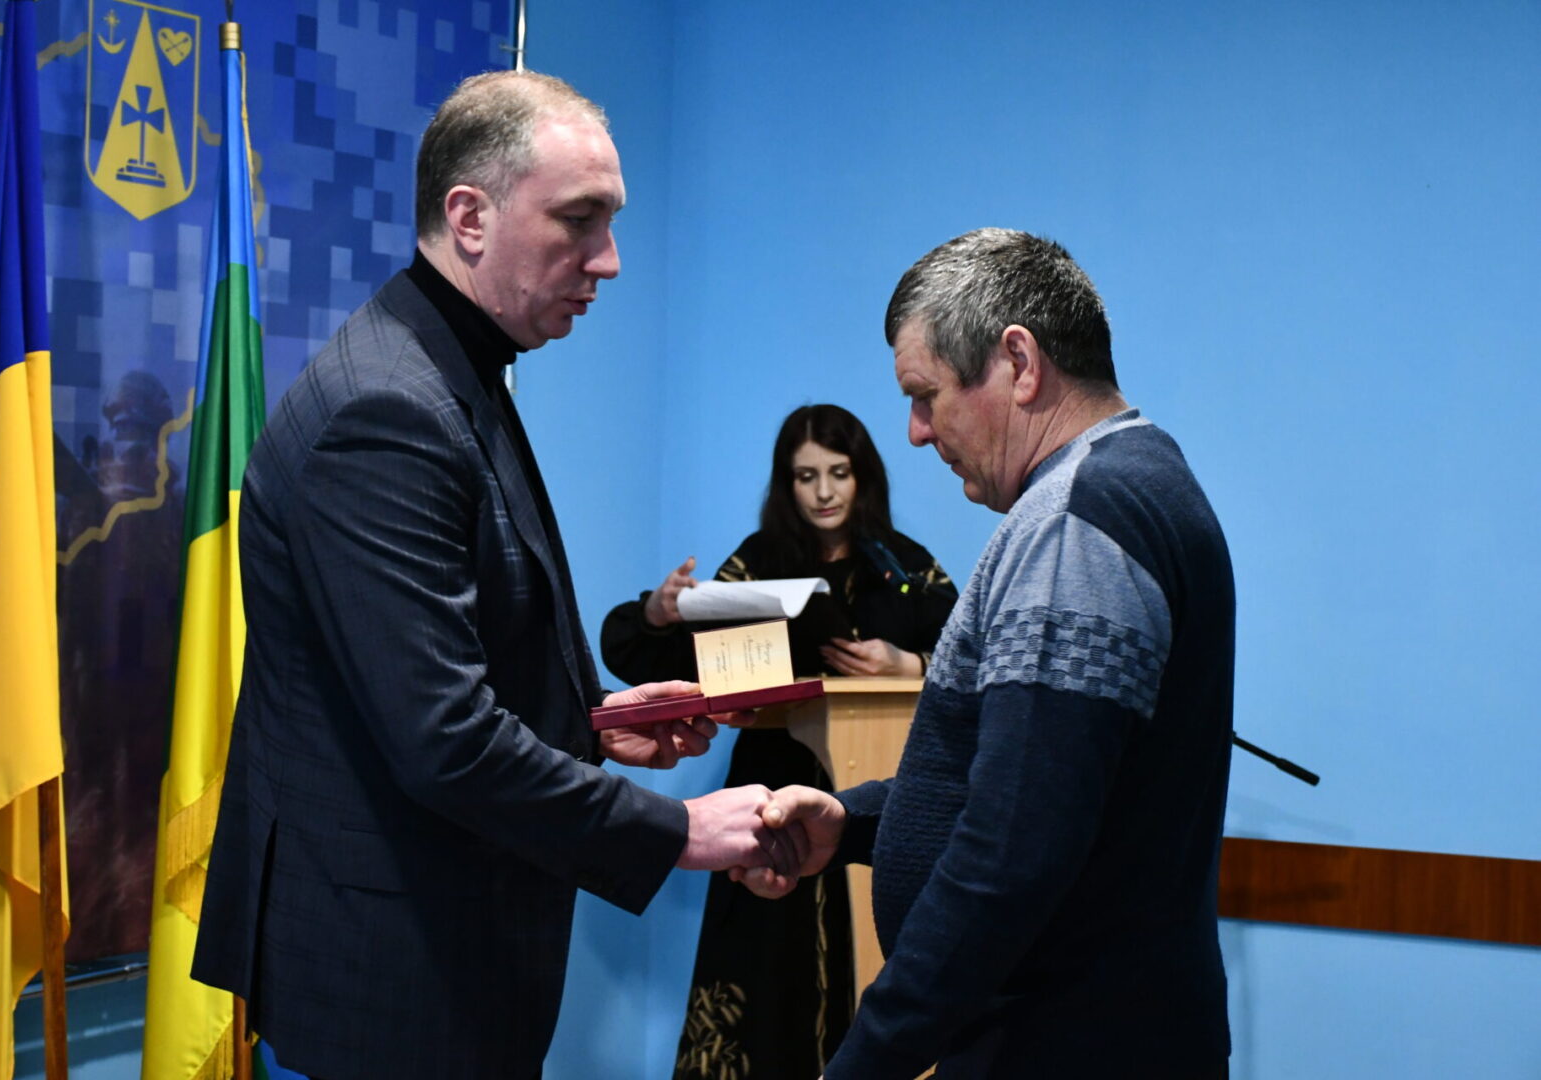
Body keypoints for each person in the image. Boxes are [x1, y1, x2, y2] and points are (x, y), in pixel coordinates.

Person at [192, 71, 795, 1080]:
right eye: (579, 221)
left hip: (440, 955)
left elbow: (422, 672)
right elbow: (442, 740)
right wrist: (675, 830)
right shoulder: (386, 408)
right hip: (394, 978)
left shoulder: (444, 365)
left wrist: (589, 722)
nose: (608, 260)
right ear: (469, 216)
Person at [740, 229, 1236, 1079]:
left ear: (1019, 362)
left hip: (1062, 1044)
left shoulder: (1076, 522)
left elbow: (1015, 849)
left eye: (925, 395)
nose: (915, 432)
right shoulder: (1142, 478)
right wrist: (854, 823)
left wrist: (862, 1065)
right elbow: (1046, 781)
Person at [602, 404, 957, 1080]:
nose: (823, 492)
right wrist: (658, 611)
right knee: (764, 969)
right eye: (805, 476)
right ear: (785, 484)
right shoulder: (759, 562)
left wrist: (910, 664)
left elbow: (977, 661)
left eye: (838, 473)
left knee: (872, 967)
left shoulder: (902, 566)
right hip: (768, 793)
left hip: (875, 797)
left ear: (863, 477)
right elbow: (657, 655)